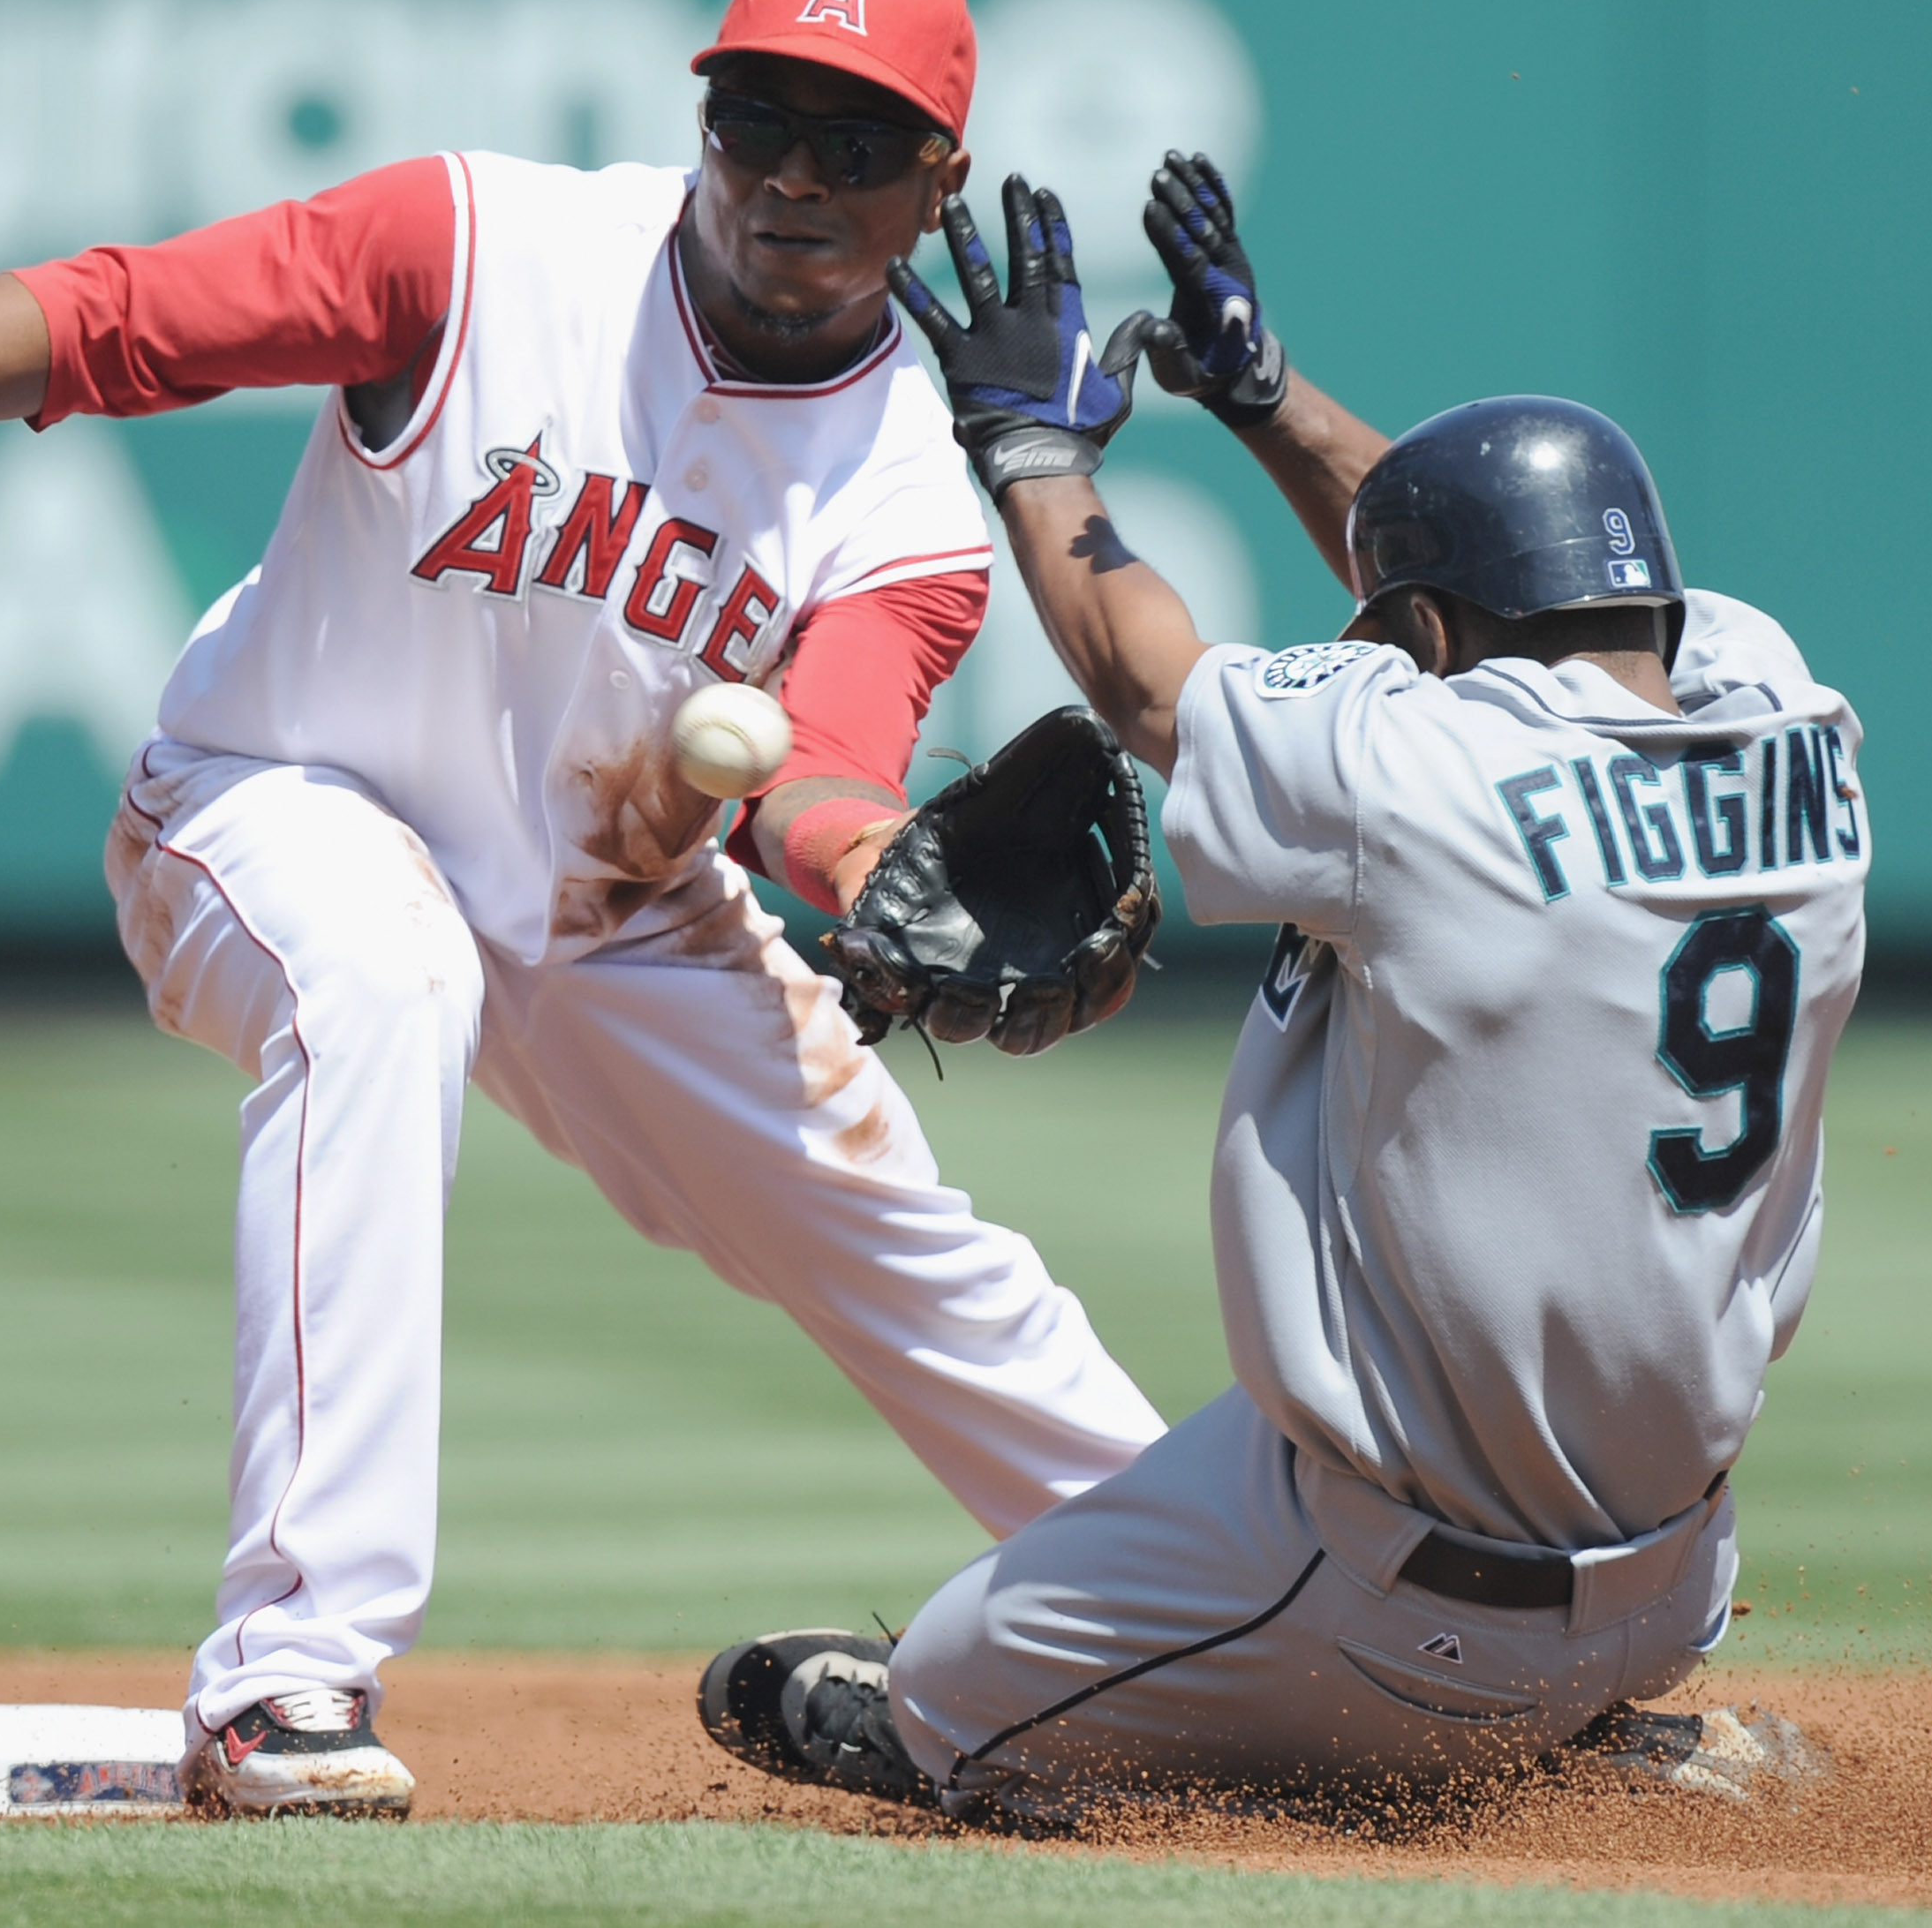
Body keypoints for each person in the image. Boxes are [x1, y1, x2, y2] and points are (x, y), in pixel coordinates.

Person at [0, 0, 1169, 1819]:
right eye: (756, 115)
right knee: (386, 976)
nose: (789, 173)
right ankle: (283, 1681)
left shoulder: (909, 499)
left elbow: (829, 768)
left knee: (910, 1247)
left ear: (940, 181)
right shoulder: (477, 247)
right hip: (274, 798)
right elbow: (135, 316)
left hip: (617, 904)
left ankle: (1255, 1627)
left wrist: (882, 871)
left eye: (853, 142)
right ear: (701, 120)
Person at [698, 160, 1868, 1821]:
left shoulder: (1424, 790)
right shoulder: (1788, 716)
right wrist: (1266, 400)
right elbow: (1486, 601)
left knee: (946, 1702)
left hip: (1400, 1590)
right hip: (1678, 1574)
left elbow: (1135, 673)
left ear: (1443, 633)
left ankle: (1391, 1762)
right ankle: (1606, 1720)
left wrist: (1034, 455)